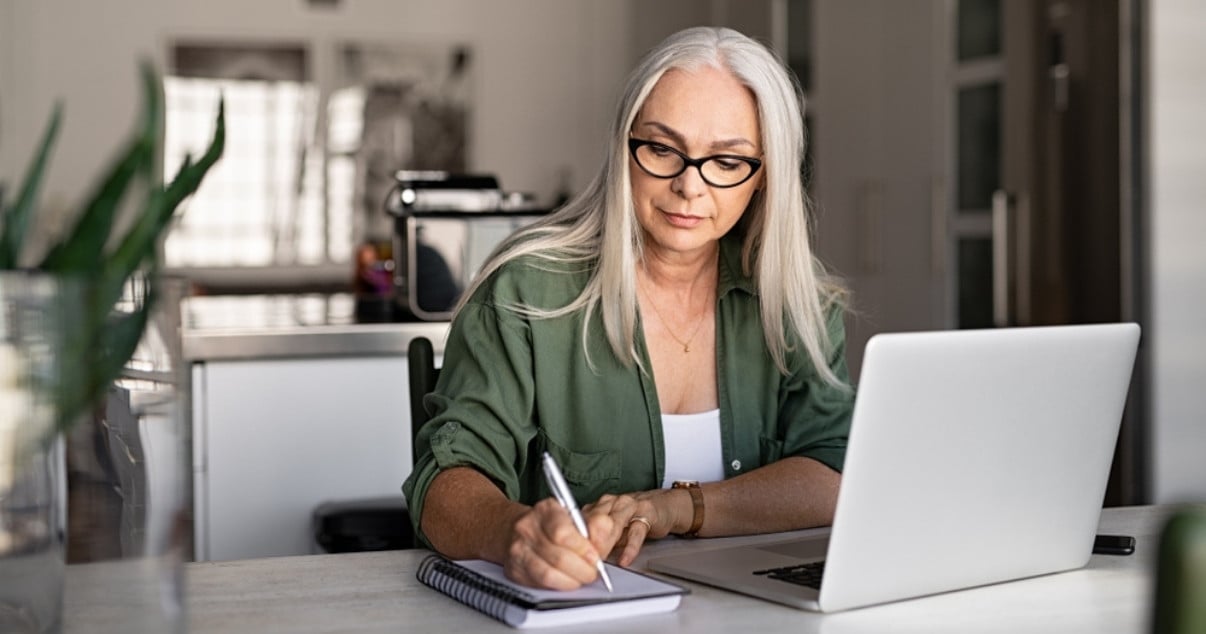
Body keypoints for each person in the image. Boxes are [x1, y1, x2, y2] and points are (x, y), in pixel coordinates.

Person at [402, 26, 854, 591]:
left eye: (727, 160)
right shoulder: (525, 289)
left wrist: (674, 508)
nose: (690, 186)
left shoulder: (797, 300)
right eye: (663, 149)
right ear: (624, 147)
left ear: (764, 177)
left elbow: (834, 475)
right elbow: (443, 483)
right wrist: (511, 532)